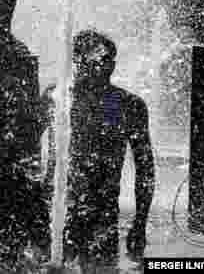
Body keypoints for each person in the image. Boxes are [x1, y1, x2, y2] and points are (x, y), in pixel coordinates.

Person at [42, 29, 155, 273]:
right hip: (57, 216)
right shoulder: (56, 97)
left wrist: (140, 223)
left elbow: (145, 169)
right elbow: (27, 144)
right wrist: (35, 205)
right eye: (94, 61)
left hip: (103, 218)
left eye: (107, 61)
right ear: (76, 61)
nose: (102, 68)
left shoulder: (129, 105)